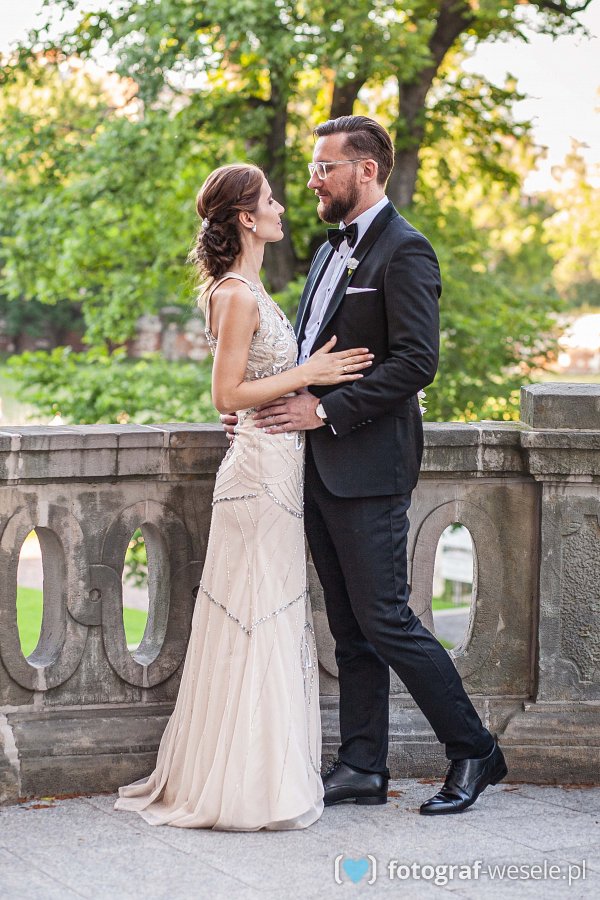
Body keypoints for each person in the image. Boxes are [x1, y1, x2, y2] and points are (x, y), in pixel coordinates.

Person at [226, 116, 507, 815]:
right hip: (314, 466)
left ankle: (474, 748)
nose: (313, 181)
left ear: (367, 170)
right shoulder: (329, 251)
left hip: (370, 466)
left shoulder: (406, 250)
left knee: (386, 620)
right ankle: (360, 767)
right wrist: (262, 408)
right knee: (349, 629)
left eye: (325, 168)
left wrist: (325, 412)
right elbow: (308, 358)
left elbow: (416, 363)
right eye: (313, 169)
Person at [114, 163, 373, 830]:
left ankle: (263, 773)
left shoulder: (253, 288)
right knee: (255, 615)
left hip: (279, 468)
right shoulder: (234, 294)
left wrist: (302, 382)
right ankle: (241, 786)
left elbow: (249, 387)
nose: (283, 207)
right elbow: (225, 393)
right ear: (247, 218)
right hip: (257, 477)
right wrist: (309, 371)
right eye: (270, 200)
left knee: (275, 614)